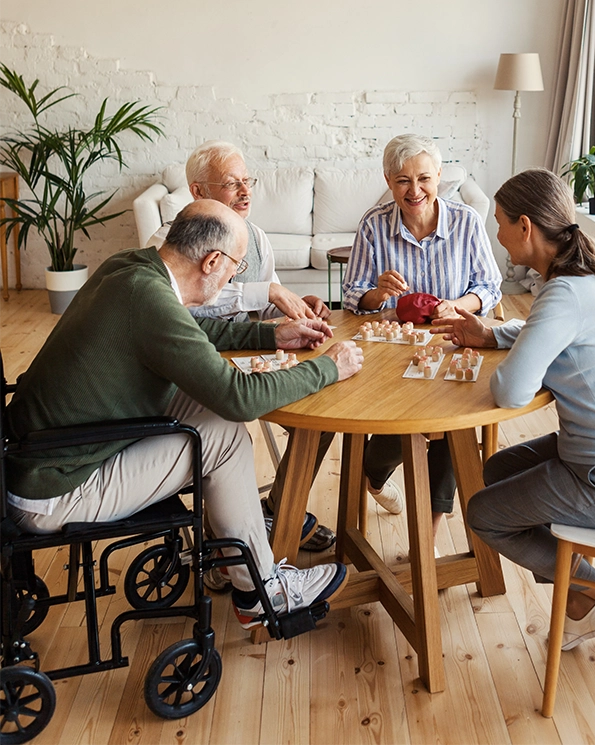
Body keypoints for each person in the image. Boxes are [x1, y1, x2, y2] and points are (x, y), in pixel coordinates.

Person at [6, 200, 364, 631]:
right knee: (224, 430)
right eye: (237, 264)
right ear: (212, 260)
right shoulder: (149, 300)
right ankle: (261, 590)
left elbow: (185, 328)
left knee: (217, 421)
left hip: (46, 450)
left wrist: (269, 333)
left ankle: (236, 557)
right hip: (57, 489)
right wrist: (329, 367)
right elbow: (239, 397)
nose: (235, 274)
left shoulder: (131, 268)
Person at [433, 168, 595, 649]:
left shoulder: (563, 292)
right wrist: (490, 333)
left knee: (485, 513)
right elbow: (554, 333)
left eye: (501, 221)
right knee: (499, 467)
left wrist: (501, 353)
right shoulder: (590, 274)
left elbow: (511, 391)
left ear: (526, 227)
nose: (497, 233)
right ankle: (579, 601)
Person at [149, 141, 336, 556]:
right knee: (225, 426)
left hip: (246, 350)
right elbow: (187, 301)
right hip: (190, 360)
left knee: (320, 417)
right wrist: (264, 289)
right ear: (198, 192)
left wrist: (294, 303)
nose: (246, 191)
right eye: (232, 184)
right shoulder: (169, 240)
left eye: (247, 181)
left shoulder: (256, 238)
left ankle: (281, 511)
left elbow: (260, 306)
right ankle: (222, 541)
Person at [343, 134, 502, 541]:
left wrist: (460, 303)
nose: (414, 191)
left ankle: (426, 537)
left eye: (424, 179)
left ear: (439, 177)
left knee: (453, 422)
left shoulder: (465, 221)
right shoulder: (374, 225)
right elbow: (352, 295)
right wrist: (378, 292)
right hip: (392, 350)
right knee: (400, 426)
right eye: (402, 181)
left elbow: (489, 286)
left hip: (454, 343)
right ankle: (374, 476)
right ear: (387, 180)